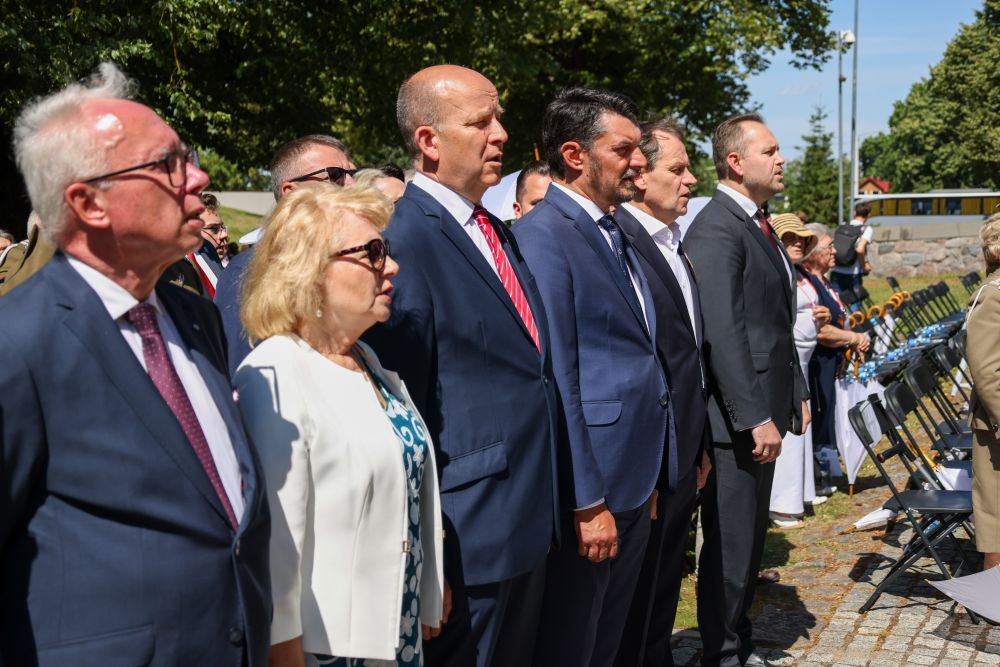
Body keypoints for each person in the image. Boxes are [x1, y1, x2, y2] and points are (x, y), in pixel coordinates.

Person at [0, 62, 270, 665]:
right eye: (168, 164)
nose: (199, 178)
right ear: (88, 203)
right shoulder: (16, 344)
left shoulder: (196, 319)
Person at [363, 65, 560, 667]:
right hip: (468, 531)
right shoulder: (405, 243)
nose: (500, 133)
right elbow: (405, 403)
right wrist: (430, 553)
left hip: (527, 510)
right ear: (428, 142)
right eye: (480, 122)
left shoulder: (492, 229)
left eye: (497, 117)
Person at [235, 184, 445, 665]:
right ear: (309, 270)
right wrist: (282, 654)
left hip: (394, 633)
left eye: (386, 250)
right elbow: (275, 548)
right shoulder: (276, 373)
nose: (390, 266)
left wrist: (429, 581)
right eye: (371, 252)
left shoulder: (366, 358)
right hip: (326, 650)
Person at [513, 88, 672, 667]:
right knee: (574, 642)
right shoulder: (544, 237)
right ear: (576, 155)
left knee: (608, 639)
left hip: (634, 473)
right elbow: (559, 375)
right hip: (595, 487)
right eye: (625, 148)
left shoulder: (618, 230)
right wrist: (587, 501)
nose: (640, 162)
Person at [683, 112, 810, 667]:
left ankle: (738, 633)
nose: (782, 159)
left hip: (765, 406)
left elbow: (774, 322)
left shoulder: (758, 224)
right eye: (771, 151)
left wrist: (796, 387)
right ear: (736, 162)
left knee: (751, 538)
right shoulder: (716, 227)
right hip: (736, 419)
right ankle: (724, 650)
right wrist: (754, 414)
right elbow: (725, 333)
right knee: (731, 543)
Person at [612, 116, 711, 667]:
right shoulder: (621, 241)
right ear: (641, 175)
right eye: (678, 168)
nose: (691, 180)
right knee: (635, 589)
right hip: (644, 454)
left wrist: (696, 445)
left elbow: (688, 351)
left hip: (681, 448)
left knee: (664, 580)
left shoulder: (673, 242)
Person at [214, 134, 355, 376]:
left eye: (354, 174)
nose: (351, 185)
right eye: (335, 175)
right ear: (291, 192)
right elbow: (245, 377)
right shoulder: (249, 273)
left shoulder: (351, 260)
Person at [766, 214, 826, 528]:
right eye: (790, 239)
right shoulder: (780, 272)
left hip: (802, 359)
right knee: (789, 433)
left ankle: (799, 493)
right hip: (789, 361)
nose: (798, 244)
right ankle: (781, 503)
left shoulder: (800, 273)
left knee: (802, 428)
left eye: (801, 239)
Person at [800, 223, 869, 492]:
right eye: (828, 245)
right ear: (813, 252)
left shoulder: (823, 280)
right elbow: (819, 330)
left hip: (830, 362)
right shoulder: (808, 282)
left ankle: (827, 469)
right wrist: (854, 338)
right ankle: (819, 476)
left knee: (827, 415)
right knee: (819, 415)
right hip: (817, 363)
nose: (834, 250)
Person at [966, 212, 1000, 571]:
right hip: (996, 424)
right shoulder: (992, 296)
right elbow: (987, 371)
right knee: (997, 518)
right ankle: (994, 598)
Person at [186, 192, 227, 296]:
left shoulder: (210, 252)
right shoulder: (175, 263)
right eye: (214, 229)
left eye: (222, 227)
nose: (224, 235)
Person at [829, 202, 874, 293]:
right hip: (853, 272)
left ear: (854, 213)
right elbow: (860, 249)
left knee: (837, 303)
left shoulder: (842, 226)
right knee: (855, 303)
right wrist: (864, 266)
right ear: (869, 215)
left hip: (836, 271)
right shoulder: (866, 229)